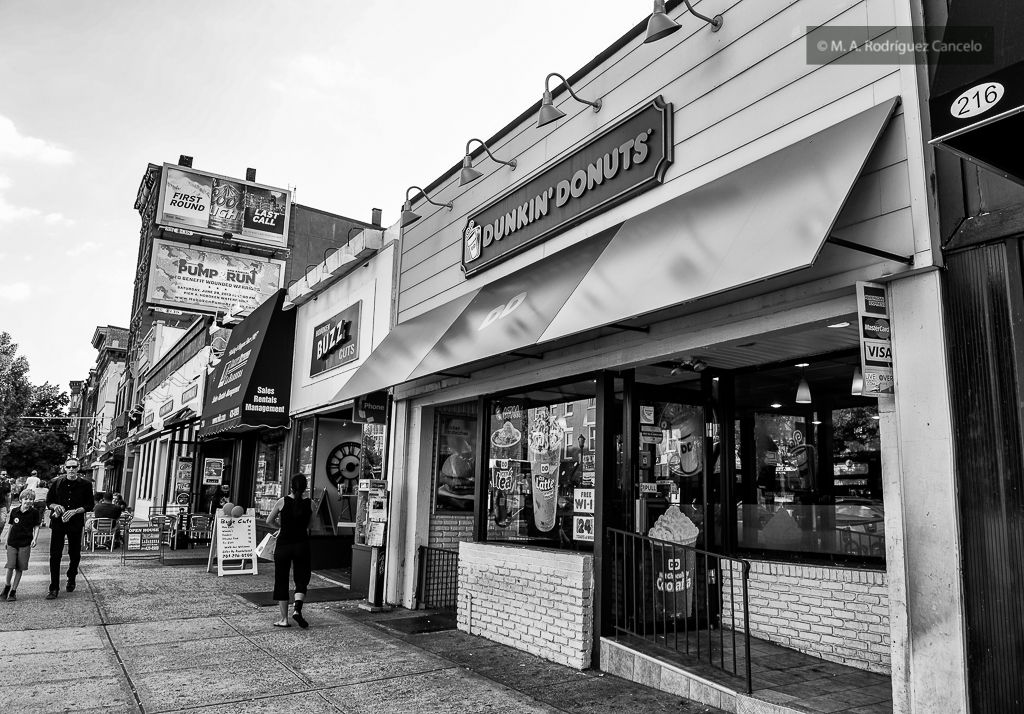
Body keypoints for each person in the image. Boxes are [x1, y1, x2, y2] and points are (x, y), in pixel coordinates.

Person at [265, 474, 312, 628]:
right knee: (301, 578)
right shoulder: (310, 503)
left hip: (283, 545)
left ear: (291, 486)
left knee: (281, 580)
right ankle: (297, 609)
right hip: (302, 545)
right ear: (305, 486)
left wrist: (282, 528)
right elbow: (314, 526)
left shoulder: (282, 501)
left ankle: (284, 620)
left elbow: (269, 521)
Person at [44, 458, 94, 599]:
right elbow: (49, 502)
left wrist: (76, 511)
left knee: (74, 554)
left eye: (74, 467)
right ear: (64, 468)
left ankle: (71, 576)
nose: (71, 470)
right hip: (59, 523)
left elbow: (90, 504)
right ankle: (54, 587)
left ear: (78, 468)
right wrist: (55, 506)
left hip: (75, 523)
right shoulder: (57, 483)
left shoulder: (86, 485)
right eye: (69, 467)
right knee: (55, 555)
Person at [2, 489, 41, 601]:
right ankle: (7, 586)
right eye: (26, 499)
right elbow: (10, 526)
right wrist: (6, 540)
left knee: (20, 568)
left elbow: (36, 526)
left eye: (31, 499)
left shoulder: (34, 512)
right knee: (10, 566)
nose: (28, 501)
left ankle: (13, 591)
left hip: (25, 543)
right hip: (13, 542)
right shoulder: (14, 511)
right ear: (21, 500)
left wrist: (34, 538)